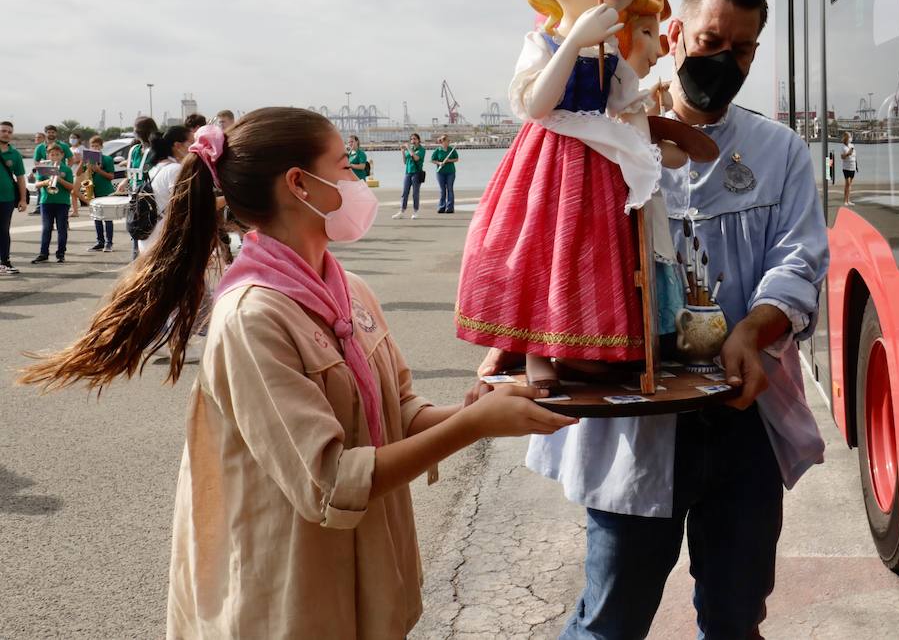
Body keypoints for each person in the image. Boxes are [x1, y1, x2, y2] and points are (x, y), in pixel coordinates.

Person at [19, 107, 575, 638]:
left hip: (366, 575)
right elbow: (329, 480)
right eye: (343, 165)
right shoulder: (253, 316)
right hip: (287, 591)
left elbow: (397, 411)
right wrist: (475, 428)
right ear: (300, 185)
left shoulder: (350, 290)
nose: (358, 177)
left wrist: (477, 410)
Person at [476, 0, 829, 639]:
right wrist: (517, 335)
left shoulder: (778, 150)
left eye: (744, 49)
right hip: (638, 419)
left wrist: (754, 331)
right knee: (613, 617)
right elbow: (547, 242)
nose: (726, 61)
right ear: (674, 34)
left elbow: (800, 257)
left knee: (735, 613)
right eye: (711, 41)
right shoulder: (606, 143)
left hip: (740, 413)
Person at [454, 0, 663, 391]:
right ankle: (534, 349)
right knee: (540, 249)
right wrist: (573, 43)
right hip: (548, 158)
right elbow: (536, 104)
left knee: (592, 254)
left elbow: (623, 101)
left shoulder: (609, 49)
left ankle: (590, 341)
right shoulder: (543, 42)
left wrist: (648, 144)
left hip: (598, 159)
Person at [144, 126, 193, 250]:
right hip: (165, 240)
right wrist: (228, 199)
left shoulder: (157, 168)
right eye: (192, 142)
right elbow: (187, 205)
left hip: (151, 236)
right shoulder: (174, 170)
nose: (195, 147)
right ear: (177, 145)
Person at [119, 116, 159, 260]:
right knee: (135, 231)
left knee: (147, 232)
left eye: (138, 129)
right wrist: (125, 181)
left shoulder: (156, 150)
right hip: (134, 197)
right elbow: (132, 171)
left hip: (150, 198)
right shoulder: (135, 149)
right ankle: (136, 263)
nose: (136, 132)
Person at [32, 144, 75, 264]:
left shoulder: (66, 169)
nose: (55, 157)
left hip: (62, 202)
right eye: (52, 154)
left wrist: (59, 179)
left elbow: (72, 187)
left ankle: (61, 253)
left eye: (57, 154)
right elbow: (36, 184)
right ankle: (43, 253)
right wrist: (47, 181)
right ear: (48, 155)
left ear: (62, 155)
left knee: (62, 229)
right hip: (46, 202)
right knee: (46, 228)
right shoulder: (44, 167)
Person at [0, 120, 28, 274]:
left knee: (4, 230)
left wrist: (23, 199)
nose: (6, 134)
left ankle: (4, 262)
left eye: (9, 132)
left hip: (7, 199)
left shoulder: (15, 154)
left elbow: (21, 178)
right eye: (3, 130)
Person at [85, 135, 118, 252]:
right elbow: (81, 174)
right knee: (97, 218)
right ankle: (100, 242)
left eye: (97, 146)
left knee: (107, 218)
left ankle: (109, 243)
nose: (94, 148)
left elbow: (111, 176)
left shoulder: (107, 159)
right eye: (92, 146)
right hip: (94, 192)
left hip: (106, 191)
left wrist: (99, 170)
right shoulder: (88, 160)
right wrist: (86, 167)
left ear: (101, 147)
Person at [394, 133, 425, 220]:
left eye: (415, 139)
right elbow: (405, 162)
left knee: (415, 193)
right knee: (404, 192)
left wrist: (408, 148)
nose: (413, 141)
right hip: (408, 172)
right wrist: (403, 152)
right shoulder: (410, 149)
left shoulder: (421, 150)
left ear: (418, 140)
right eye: (411, 139)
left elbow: (416, 158)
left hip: (416, 173)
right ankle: (402, 211)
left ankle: (415, 211)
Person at [431, 134, 458, 213]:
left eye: (449, 141)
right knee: (442, 190)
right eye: (447, 141)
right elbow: (432, 160)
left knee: (450, 189)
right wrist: (439, 163)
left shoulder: (451, 149)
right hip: (440, 172)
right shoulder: (437, 150)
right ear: (443, 141)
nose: (449, 142)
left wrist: (449, 160)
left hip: (451, 172)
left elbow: (456, 159)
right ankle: (442, 206)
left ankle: (450, 208)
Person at [840, 131, 857, 205]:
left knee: (850, 184)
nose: (850, 138)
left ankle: (848, 200)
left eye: (850, 136)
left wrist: (856, 165)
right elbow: (842, 157)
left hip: (852, 166)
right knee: (847, 183)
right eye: (849, 136)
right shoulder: (843, 147)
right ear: (846, 138)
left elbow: (854, 156)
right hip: (846, 167)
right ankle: (845, 200)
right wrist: (848, 154)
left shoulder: (852, 145)